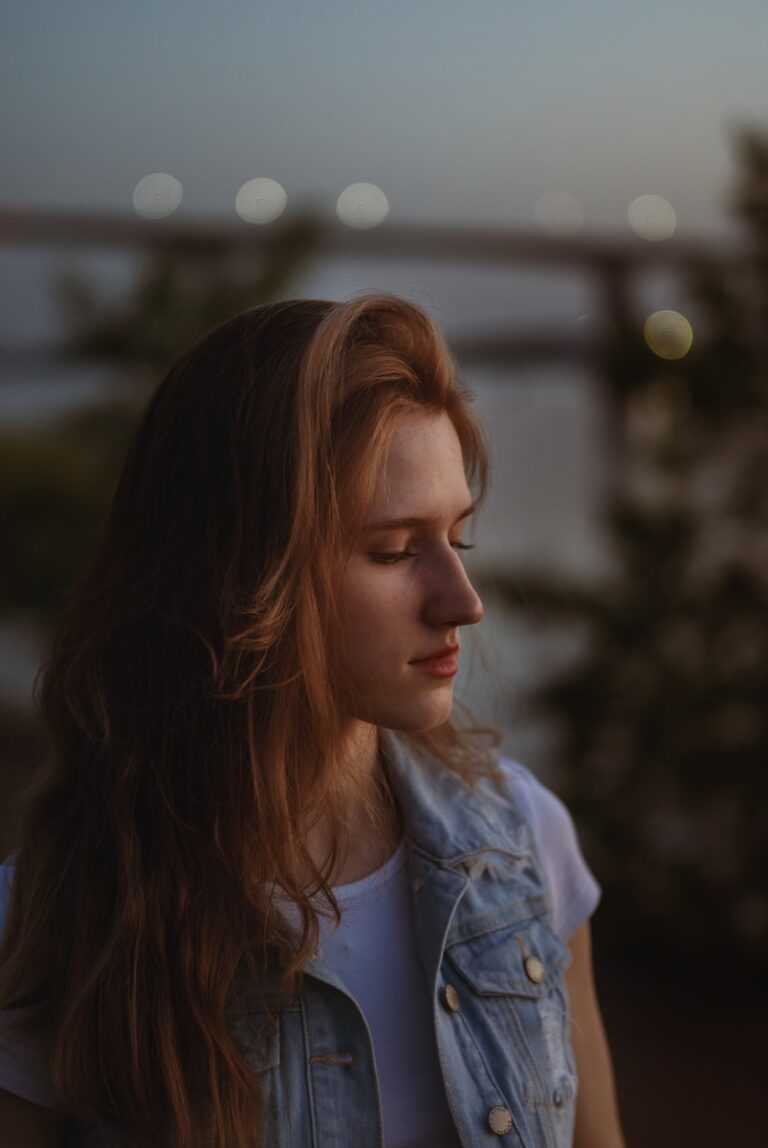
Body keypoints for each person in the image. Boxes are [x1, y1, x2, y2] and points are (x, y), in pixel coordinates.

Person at [0, 293, 627, 1147]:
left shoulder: (525, 846)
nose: (463, 602)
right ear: (241, 573)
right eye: (394, 551)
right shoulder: (63, 915)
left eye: (458, 538)